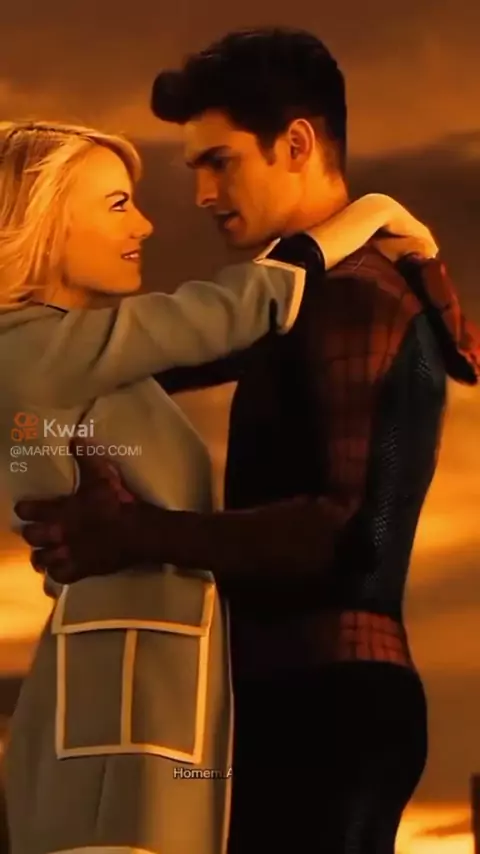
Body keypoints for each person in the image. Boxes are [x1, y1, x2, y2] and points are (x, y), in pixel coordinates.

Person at [15, 28, 480, 854]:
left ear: (295, 144)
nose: (197, 195)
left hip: (324, 701)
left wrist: (136, 532)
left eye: (219, 162)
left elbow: (347, 533)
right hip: (261, 702)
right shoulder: (294, 304)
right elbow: (194, 334)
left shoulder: (354, 299)